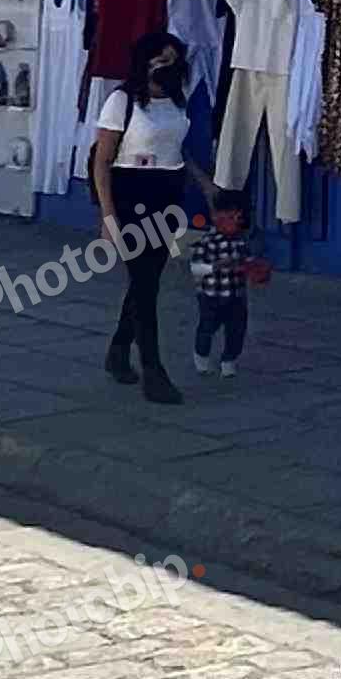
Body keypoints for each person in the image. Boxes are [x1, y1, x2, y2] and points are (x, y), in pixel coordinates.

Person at [83, 31, 199, 405]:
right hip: (131, 192)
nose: (168, 67)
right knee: (145, 284)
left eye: (174, 60)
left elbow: (175, 148)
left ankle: (119, 350)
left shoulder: (177, 100)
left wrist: (207, 185)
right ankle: (153, 369)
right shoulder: (122, 102)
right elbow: (102, 161)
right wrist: (108, 216)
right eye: (161, 60)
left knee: (146, 281)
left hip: (167, 193)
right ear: (144, 63)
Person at [190, 195, 258, 383]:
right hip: (211, 295)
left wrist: (254, 270)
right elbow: (195, 268)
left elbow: (248, 261)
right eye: (230, 215)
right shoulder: (208, 241)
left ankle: (229, 360)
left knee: (236, 329)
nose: (236, 219)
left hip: (236, 294)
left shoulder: (241, 240)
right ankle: (201, 356)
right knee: (207, 326)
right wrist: (216, 266)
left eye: (238, 216)